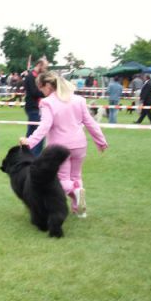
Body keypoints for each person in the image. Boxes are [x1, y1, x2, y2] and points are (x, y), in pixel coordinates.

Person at [19, 71, 108, 217]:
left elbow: (44, 126)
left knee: (62, 180)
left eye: (41, 88)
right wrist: (101, 141)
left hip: (59, 148)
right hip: (79, 145)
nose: (41, 92)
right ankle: (79, 209)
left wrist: (29, 142)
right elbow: (90, 122)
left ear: (47, 85)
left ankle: (76, 194)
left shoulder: (47, 103)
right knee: (76, 177)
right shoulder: (79, 100)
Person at [23, 58, 49, 157]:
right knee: (39, 133)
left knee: (31, 132)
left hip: (37, 108)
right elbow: (34, 92)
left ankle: (25, 153)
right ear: (39, 65)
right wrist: (46, 93)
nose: (45, 69)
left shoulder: (37, 77)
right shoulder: (30, 77)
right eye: (45, 67)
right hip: (33, 108)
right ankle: (36, 156)